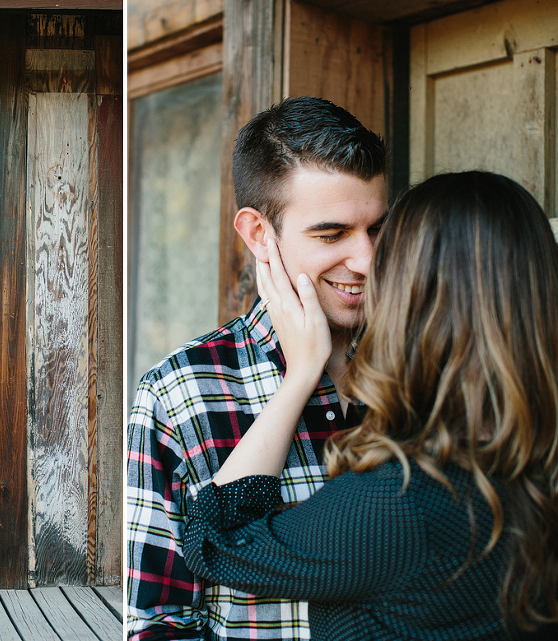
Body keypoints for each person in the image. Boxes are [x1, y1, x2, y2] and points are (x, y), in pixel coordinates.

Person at [183, 171, 558, 640]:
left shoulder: (403, 505)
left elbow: (215, 541)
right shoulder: (528, 477)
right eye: (333, 233)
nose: (364, 263)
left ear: (415, 299)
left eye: (381, 241)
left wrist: (300, 375)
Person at [126, 96, 387, 640]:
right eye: (332, 234)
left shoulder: (423, 367)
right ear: (259, 235)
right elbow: (159, 623)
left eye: (377, 230)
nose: (365, 260)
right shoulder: (179, 393)